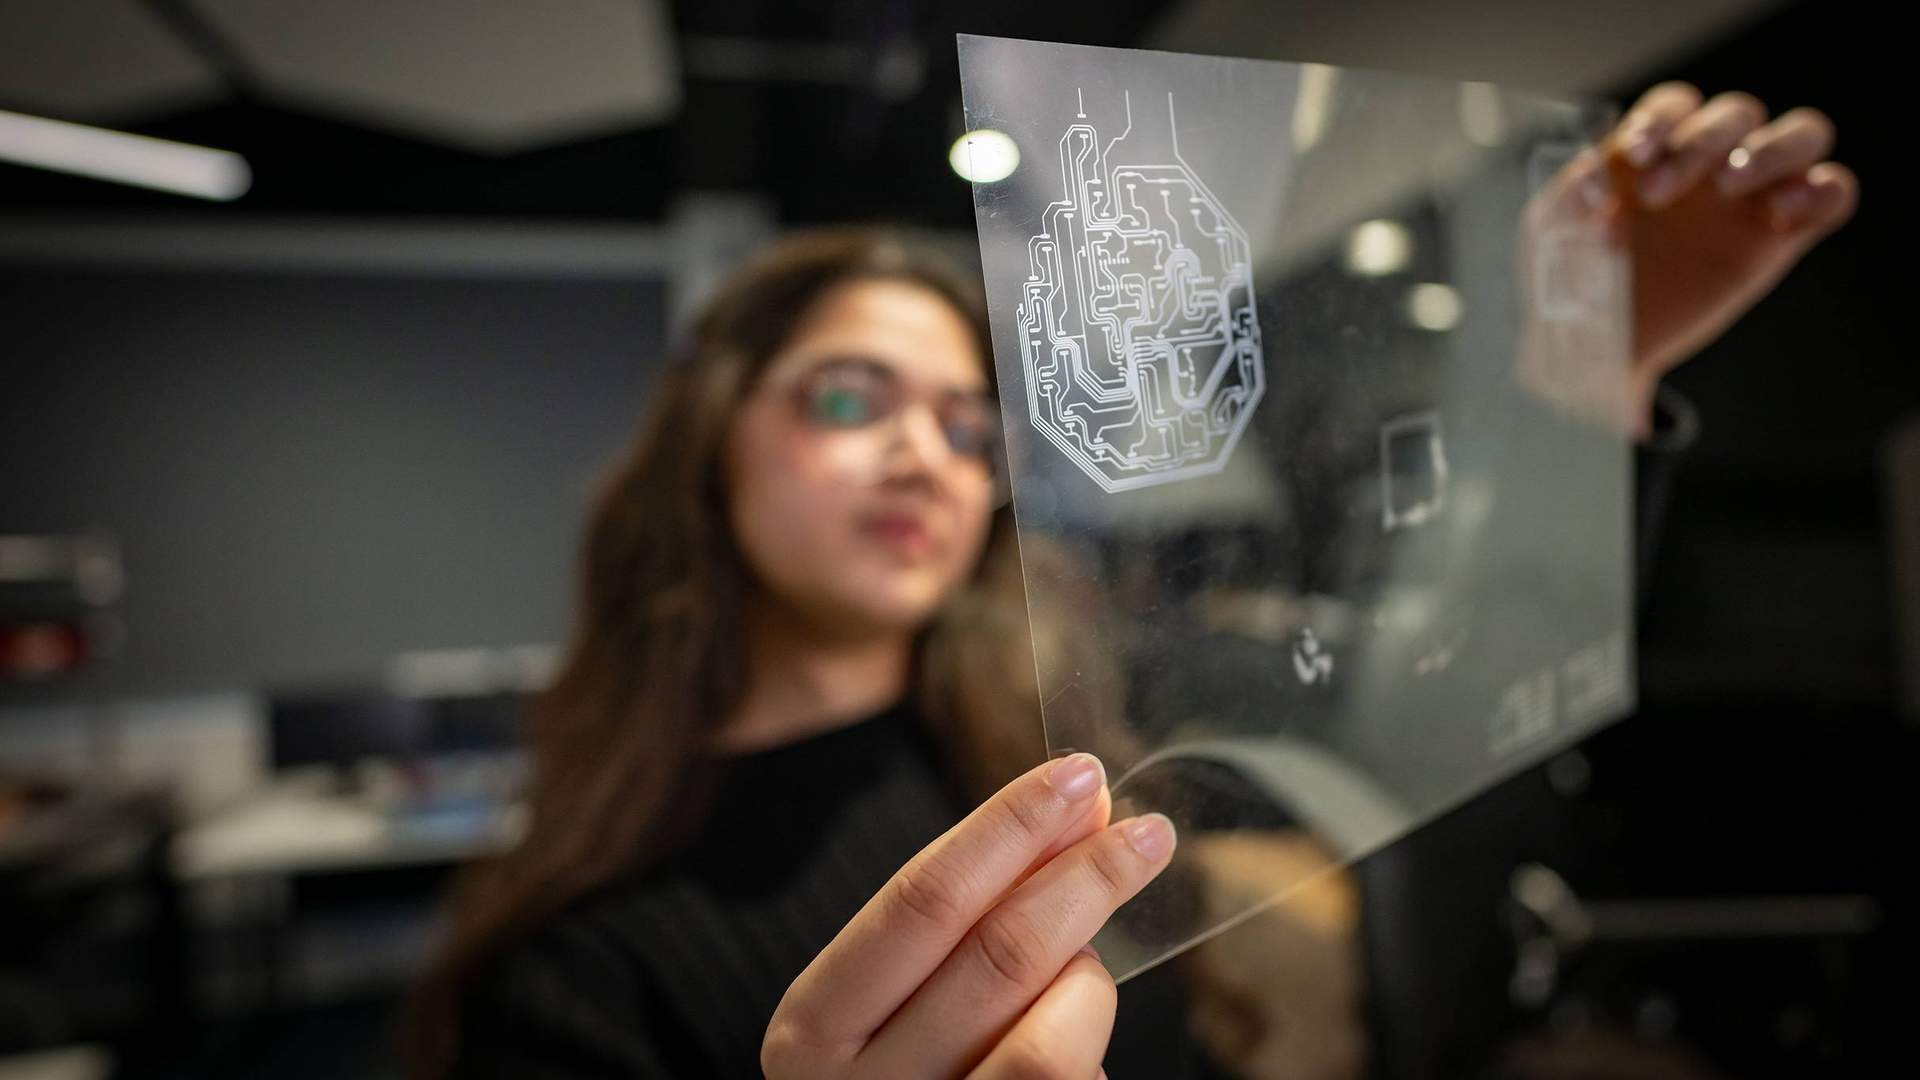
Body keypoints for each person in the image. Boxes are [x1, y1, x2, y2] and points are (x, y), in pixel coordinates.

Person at [404, 83, 1856, 1080]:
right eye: (852, 400)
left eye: (971, 423)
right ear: (711, 451)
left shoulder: (1081, 729)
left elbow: (1467, 712)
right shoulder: (582, 965)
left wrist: (1581, 371)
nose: (927, 452)